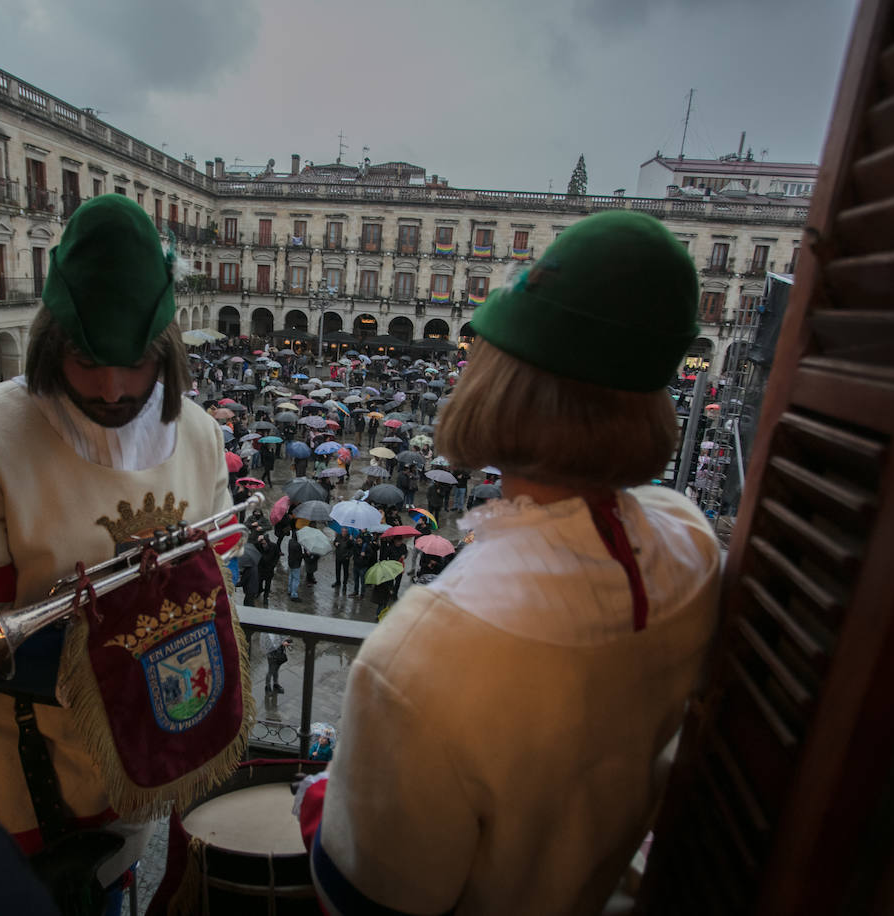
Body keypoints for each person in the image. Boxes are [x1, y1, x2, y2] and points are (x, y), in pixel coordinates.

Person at [298, 211, 722, 914]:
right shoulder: (691, 542)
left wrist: (321, 803)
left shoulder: (421, 655)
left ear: (500, 385)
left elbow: (364, 899)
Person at [0, 195, 236, 911]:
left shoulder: (198, 434)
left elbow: (212, 579)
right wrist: (108, 671)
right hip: (6, 775)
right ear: (52, 340)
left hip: (130, 764)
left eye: (135, 363)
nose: (112, 388)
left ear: (164, 346)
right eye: (85, 359)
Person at [285, 529, 304, 601]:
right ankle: (294, 595)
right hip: (296, 564)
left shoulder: (290, 541)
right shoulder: (297, 545)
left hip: (290, 562)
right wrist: (306, 554)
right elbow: (299, 556)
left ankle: (290, 590)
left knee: (291, 577)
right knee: (296, 579)